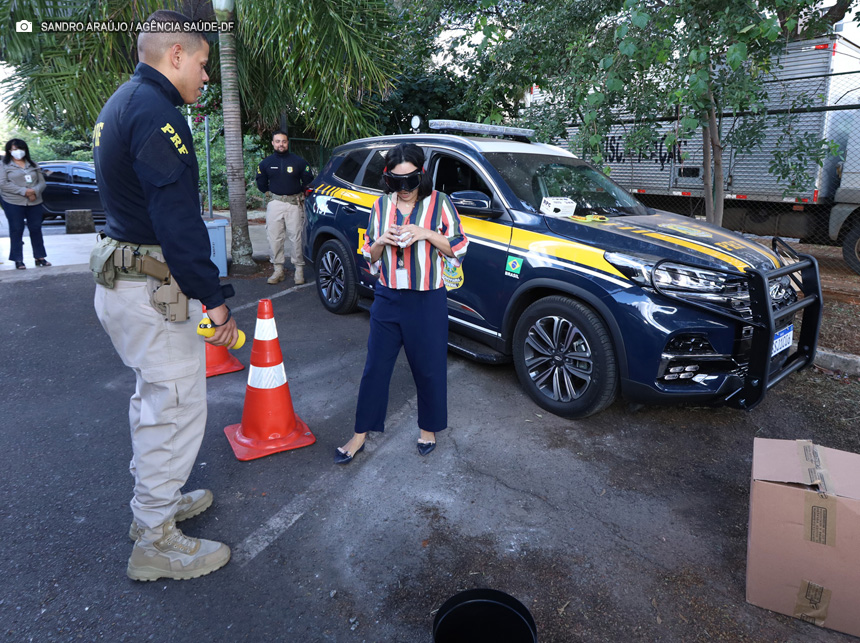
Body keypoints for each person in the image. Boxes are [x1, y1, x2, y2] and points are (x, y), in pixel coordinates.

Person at [90, 10, 239, 582]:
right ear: (176, 53)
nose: (206, 76)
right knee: (174, 409)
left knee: (153, 400)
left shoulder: (122, 101)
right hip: (151, 288)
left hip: (125, 281)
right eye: (203, 64)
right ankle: (154, 539)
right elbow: (178, 224)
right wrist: (215, 298)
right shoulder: (158, 116)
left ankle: (155, 502)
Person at [335, 143, 469, 464]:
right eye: (397, 181)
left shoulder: (440, 203)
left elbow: (459, 246)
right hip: (388, 297)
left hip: (427, 299)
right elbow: (371, 255)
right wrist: (381, 241)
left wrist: (424, 232)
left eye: (411, 181)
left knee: (430, 368)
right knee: (375, 368)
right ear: (387, 179)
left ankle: (428, 428)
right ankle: (359, 434)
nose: (404, 189)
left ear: (421, 175)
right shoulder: (380, 206)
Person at [255, 131, 314, 285]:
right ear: (273, 143)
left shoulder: (299, 162)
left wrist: (300, 192)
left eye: (284, 141)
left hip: (294, 204)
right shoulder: (265, 163)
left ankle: (299, 270)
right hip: (275, 204)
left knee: (297, 237)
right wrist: (268, 192)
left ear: (288, 143)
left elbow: (308, 180)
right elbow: (261, 182)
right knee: (274, 238)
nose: (281, 144)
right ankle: (278, 269)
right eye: (278, 141)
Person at [0, 139, 50, 269]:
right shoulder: (4, 165)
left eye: (19, 149)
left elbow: (42, 182)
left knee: (36, 228)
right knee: (16, 229)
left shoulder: (33, 164)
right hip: (13, 201)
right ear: (9, 151)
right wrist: (25, 191)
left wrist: (34, 191)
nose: (17, 152)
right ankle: (18, 259)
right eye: (14, 149)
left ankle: (40, 257)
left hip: (35, 201)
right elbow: (3, 184)